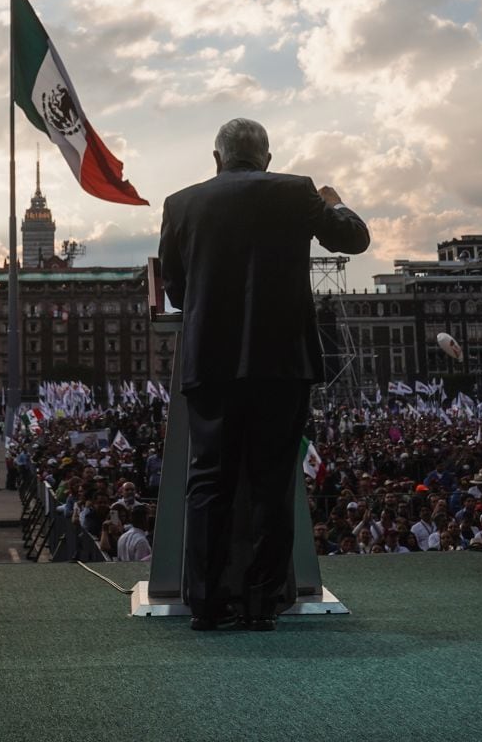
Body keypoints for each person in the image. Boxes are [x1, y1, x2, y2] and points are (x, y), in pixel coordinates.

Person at [157, 117, 369, 632]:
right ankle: (260, 606)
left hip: (211, 364)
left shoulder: (181, 204)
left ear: (216, 159)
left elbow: (176, 291)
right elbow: (355, 240)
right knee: (272, 482)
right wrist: (335, 202)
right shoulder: (297, 192)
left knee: (208, 482)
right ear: (267, 158)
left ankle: (206, 605)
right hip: (282, 364)